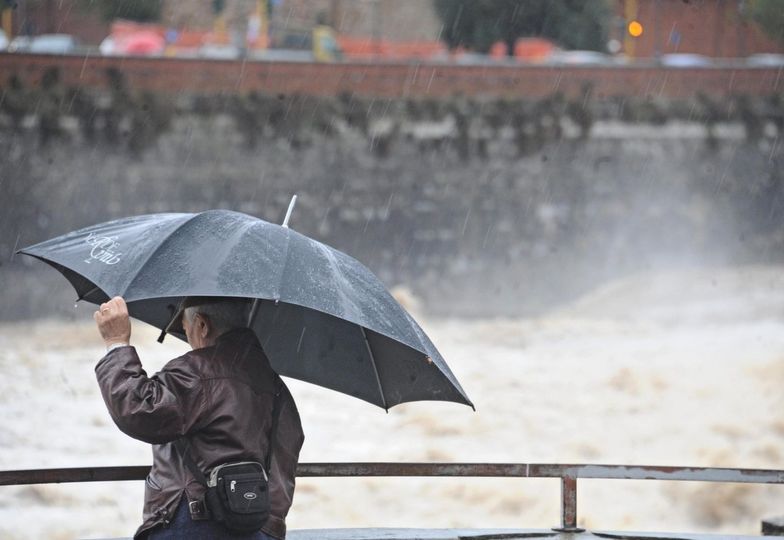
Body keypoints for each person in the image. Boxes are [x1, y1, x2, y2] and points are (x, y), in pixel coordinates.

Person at [93, 296, 305, 539]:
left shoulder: (199, 371)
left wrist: (116, 343)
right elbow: (289, 447)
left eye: (185, 327)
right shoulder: (276, 386)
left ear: (202, 326)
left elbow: (139, 410)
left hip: (194, 525)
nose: (187, 336)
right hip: (262, 527)